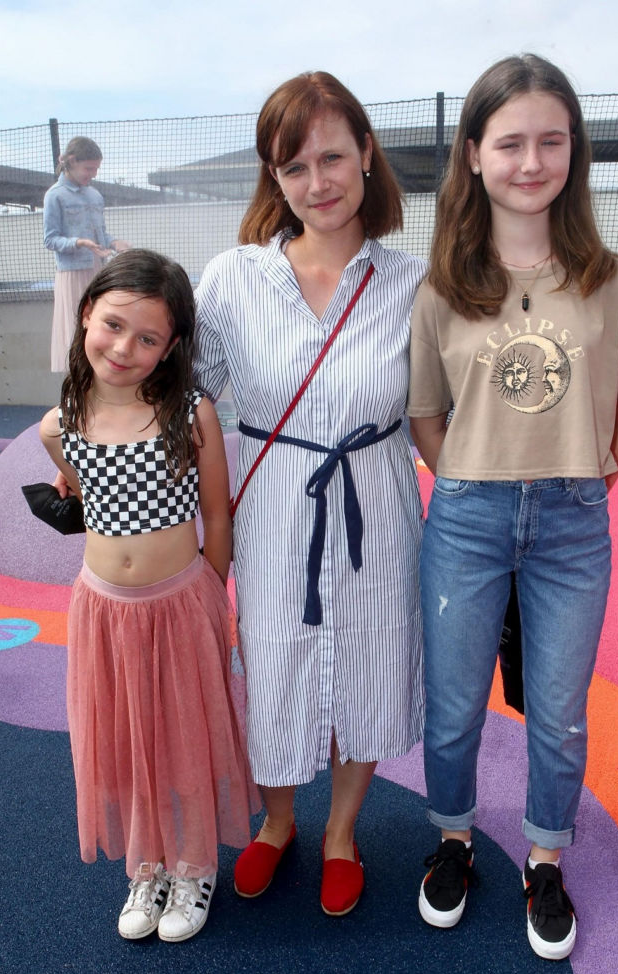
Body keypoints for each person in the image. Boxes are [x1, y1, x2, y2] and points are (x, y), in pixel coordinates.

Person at [407, 54, 618, 959]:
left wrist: (583, 479)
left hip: (570, 524)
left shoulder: (612, 280)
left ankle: (544, 857)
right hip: (466, 519)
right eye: (509, 142)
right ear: (473, 153)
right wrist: (471, 477)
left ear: (573, 152)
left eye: (550, 141)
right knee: (452, 707)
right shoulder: (441, 285)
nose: (530, 161)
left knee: (557, 711)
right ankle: (453, 839)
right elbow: (426, 416)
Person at [194, 71, 426, 916]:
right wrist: (78, 438)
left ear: (365, 153)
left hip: (376, 503)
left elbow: (446, 410)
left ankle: (340, 833)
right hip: (273, 509)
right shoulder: (232, 279)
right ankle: (277, 822)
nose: (316, 182)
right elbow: (182, 396)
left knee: (369, 660)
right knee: (274, 662)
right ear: (274, 178)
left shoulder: (414, 283)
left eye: (331, 157)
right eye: (293, 167)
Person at [40, 249, 259, 943]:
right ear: (86, 315)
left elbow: (217, 515)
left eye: (147, 338)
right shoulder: (59, 424)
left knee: (185, 738)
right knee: (127, 740)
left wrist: (211, 600)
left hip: (182, 603)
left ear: (171, 348)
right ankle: (148, 865)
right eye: (113, 325)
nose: (123, 347)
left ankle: (193, 865)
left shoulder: (191, 413)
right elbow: (86, 495)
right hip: (104, 611)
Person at [43, 136, 130, 373]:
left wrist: (114, 242)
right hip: (72, 273)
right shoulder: (55, 195)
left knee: (100, 325)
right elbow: (50, 239)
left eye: (96, 169)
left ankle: (99, 378)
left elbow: (100, 234)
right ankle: (77, 382)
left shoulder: (95, 195)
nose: (93, 174)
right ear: (72, 161)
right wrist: (79, 243)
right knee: (77, 328)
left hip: (97, 270)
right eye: (89, 168)